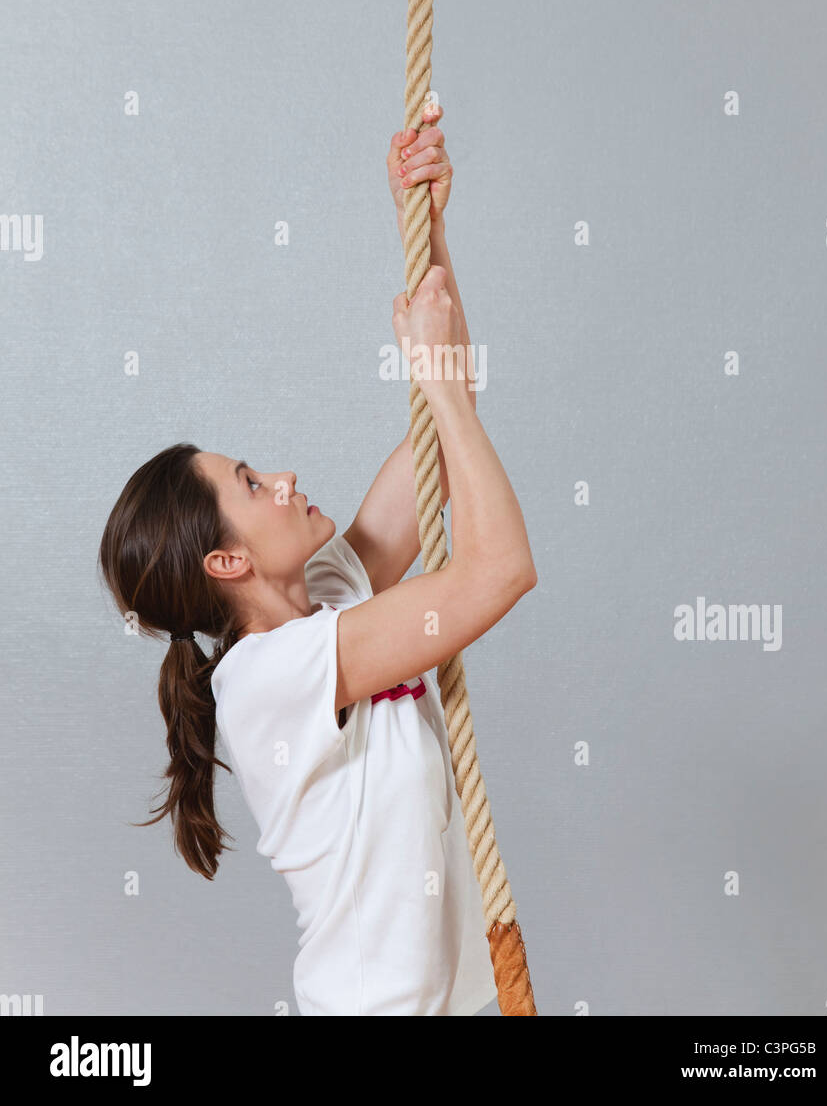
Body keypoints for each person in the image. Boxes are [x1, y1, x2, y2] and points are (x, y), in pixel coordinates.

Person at [98, 104, 537, 1015]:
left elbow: (444, 441)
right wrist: (441, 385)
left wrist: (425, 226)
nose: (285, 478)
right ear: (225, 563)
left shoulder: (327, 602)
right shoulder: (269, 678)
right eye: (254, 484)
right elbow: (499, 569)